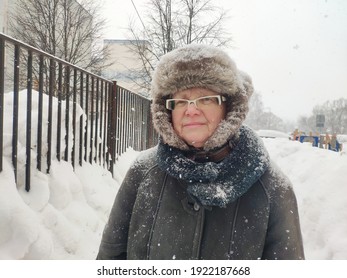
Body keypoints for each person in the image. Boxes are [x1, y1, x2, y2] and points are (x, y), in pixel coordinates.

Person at [97, 44, 305, 260]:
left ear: (229, 108)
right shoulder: (143, 173)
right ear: (167, 111)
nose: (191, 110)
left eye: (205, 99)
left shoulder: (272, 188)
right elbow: (110, 257)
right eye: (181, 101)